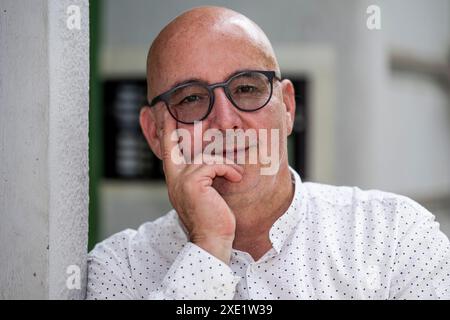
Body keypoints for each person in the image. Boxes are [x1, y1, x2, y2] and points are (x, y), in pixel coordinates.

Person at [86, 6, 450, 300]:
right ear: (154, 132)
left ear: (288, 107)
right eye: (192, 99)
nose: (226, 122)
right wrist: (208, 246)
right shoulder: (118, 269)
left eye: (246, 88)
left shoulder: (396, 236)